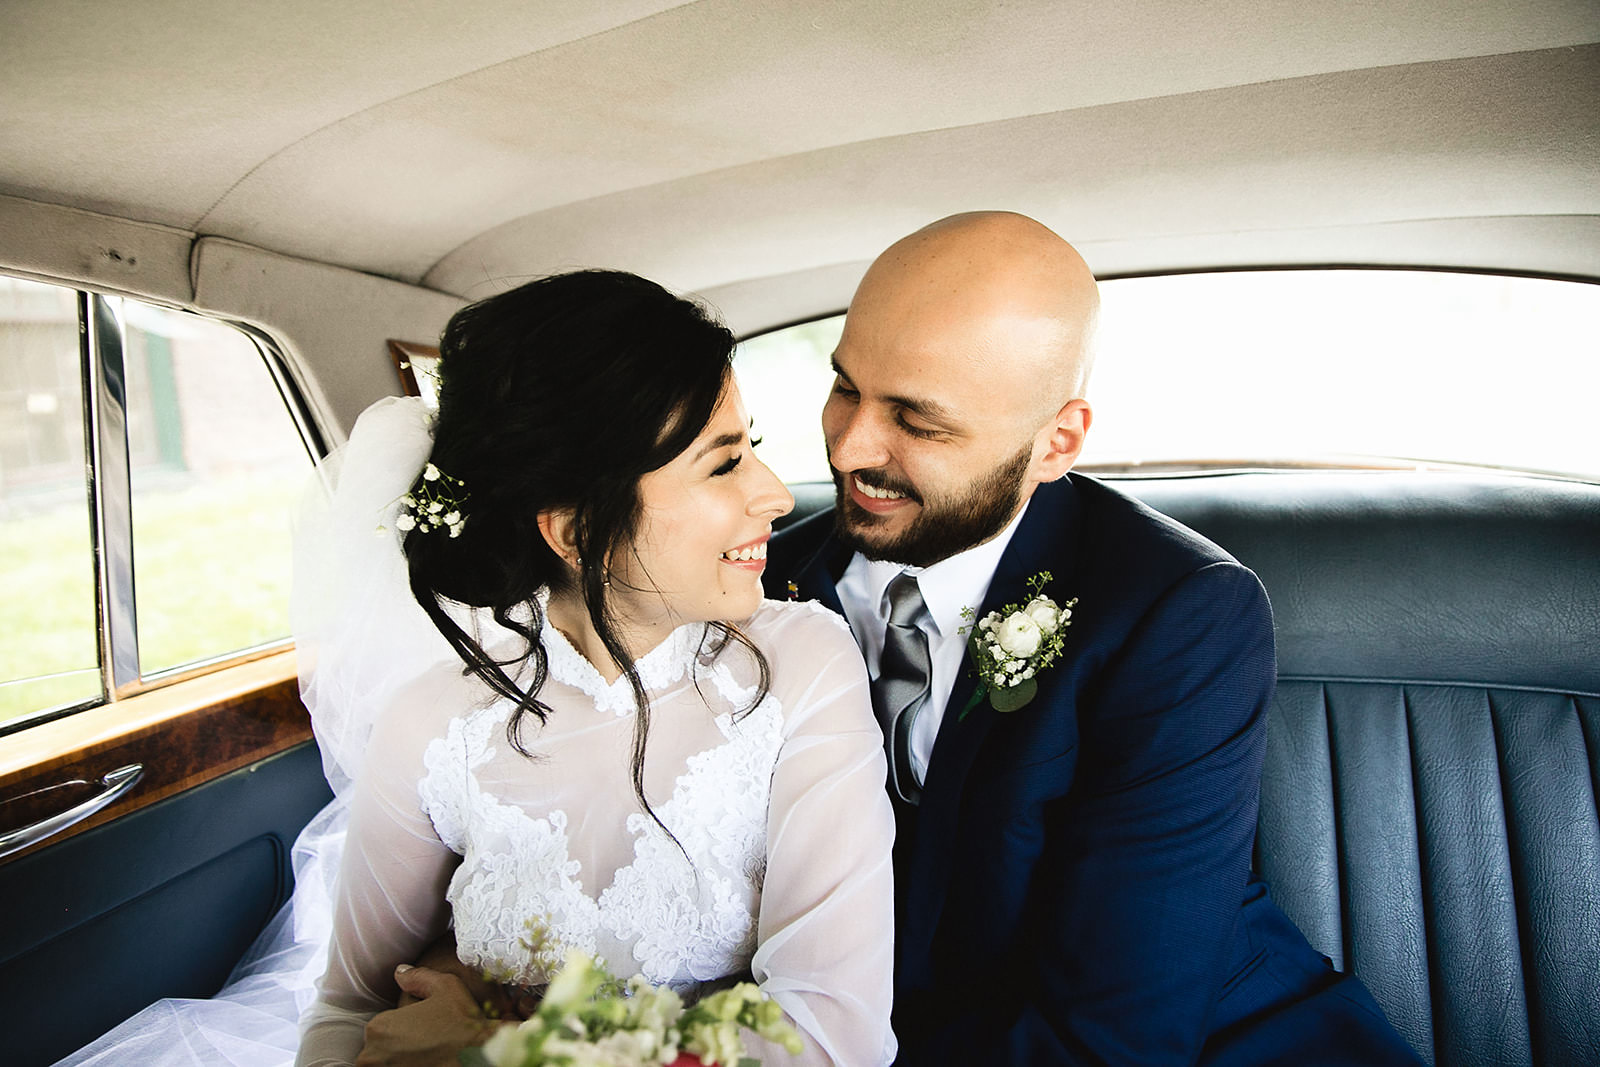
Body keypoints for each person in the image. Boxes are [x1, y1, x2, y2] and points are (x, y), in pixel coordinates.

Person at [762, 212, 1423, 1065]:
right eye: (845, 386)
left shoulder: (1173, 612)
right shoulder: (758, 583)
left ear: (1056, 442)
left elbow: (1113, 1032)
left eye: (918, 422)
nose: (850, 446)